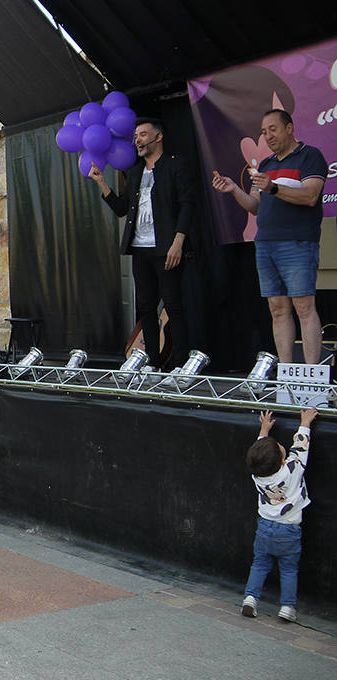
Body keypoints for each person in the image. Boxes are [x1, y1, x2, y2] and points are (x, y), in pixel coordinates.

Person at [211, 109, 328, 364]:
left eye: (273, 129)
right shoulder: (266, 164)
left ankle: (311, 378)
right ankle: (286, 372)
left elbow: (310, 196)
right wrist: (233, 190)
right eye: (264, 132)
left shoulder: (309, 156)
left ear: (289, 128)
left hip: (297, 241)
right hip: (265, 243)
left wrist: (273, 187)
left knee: (304, 307)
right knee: (276, 308)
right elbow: (255, 206)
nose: (268, 136)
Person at [89, 118, 194, 370]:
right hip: (140, 248)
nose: (137, 140)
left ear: (158, 137)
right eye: (136, 135)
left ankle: (180, 363)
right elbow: (122, 209)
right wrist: (102, 182)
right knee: (145, 306)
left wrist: (178, 242)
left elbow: (188, 205)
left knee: (172, 304)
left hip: (166, 248)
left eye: (143, 135)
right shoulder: (135, 172)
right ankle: (154, 362)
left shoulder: (175, 165)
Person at [241, 408, 315, 623]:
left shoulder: (257, 474)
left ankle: (250, 598)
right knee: (289, 569)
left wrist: (264, 430)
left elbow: (259, 454)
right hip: (289, 530)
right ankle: (287, 607)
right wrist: (305, 422)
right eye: (281, 448)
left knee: (260, 564)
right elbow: (301, 446)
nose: (283, 446)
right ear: (283, 460)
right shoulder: (293, 468)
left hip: (265, 527)